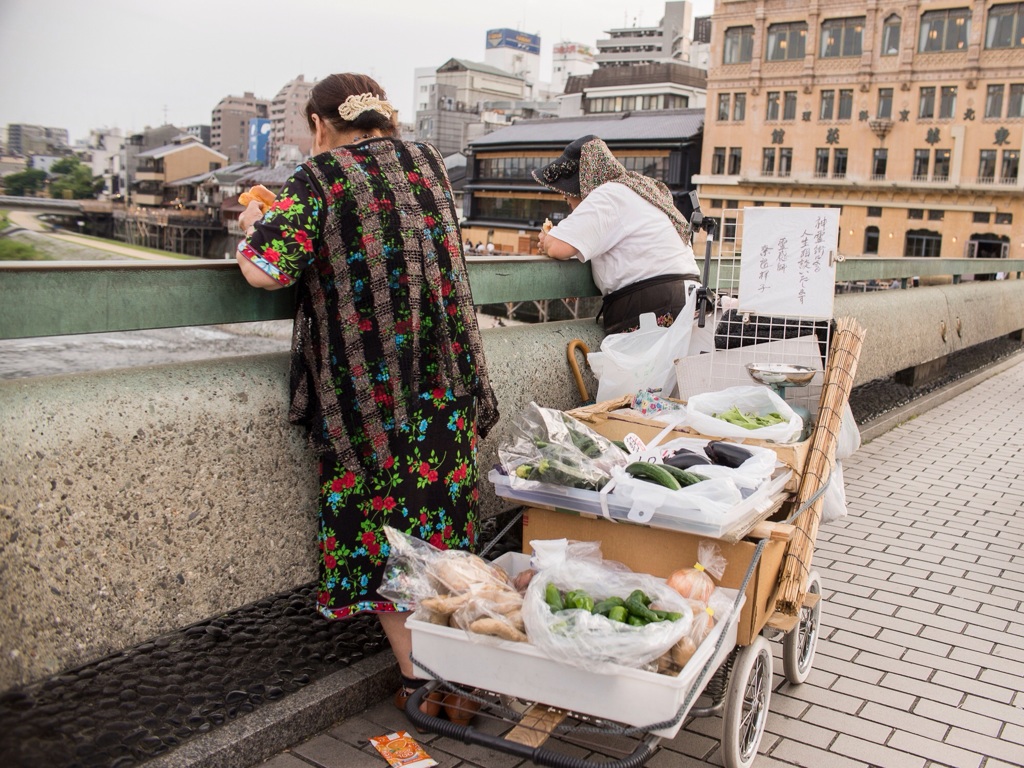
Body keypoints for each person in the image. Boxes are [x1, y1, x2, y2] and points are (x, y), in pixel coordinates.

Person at [236, 72, 499, 725]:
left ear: (322, 124)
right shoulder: (428, 163)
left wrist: (252, 222)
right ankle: (458, 673)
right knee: (435, 534)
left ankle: (418, 682)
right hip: (443, 383)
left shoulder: (320, 176)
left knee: (385, 538)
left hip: (367, 404)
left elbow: (264, 269)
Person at [535, 135, 702, 333]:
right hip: (687, 300)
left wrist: (547, 239)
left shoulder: (608, 194)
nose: (566, 198)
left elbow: (557, 247)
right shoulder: (640, 191)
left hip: (651, 307)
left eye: (568, 192)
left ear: (586, 182)